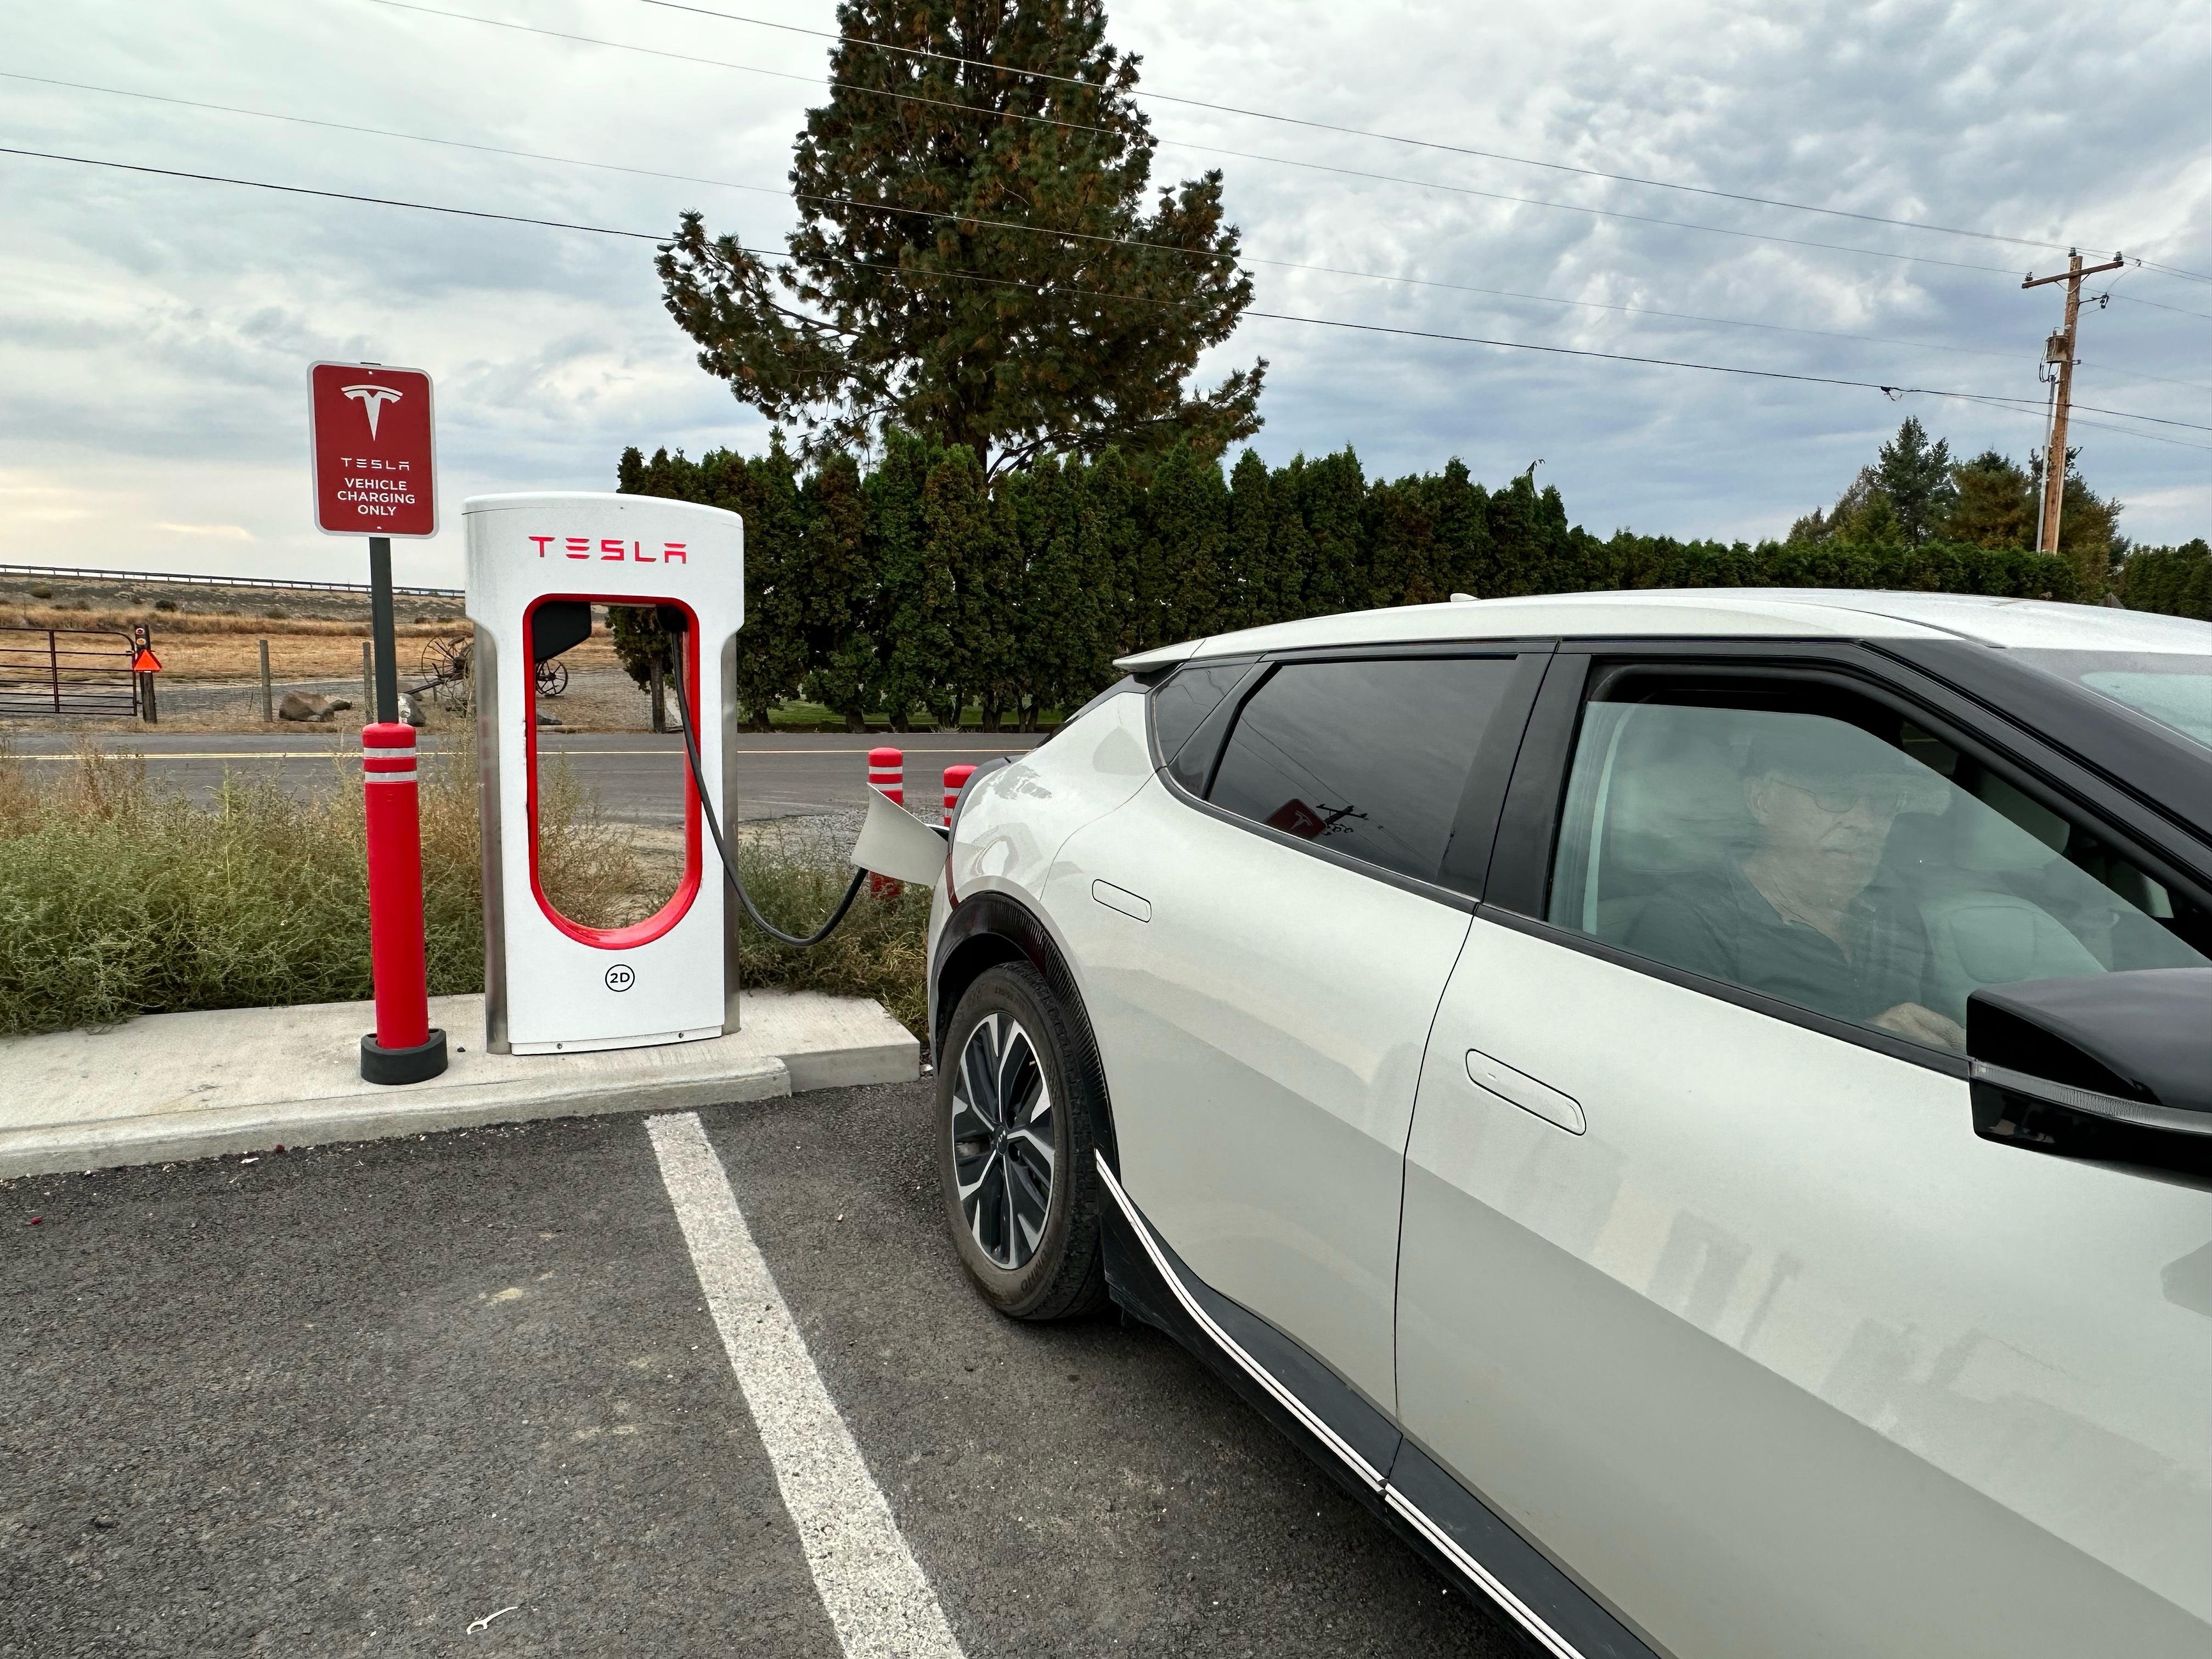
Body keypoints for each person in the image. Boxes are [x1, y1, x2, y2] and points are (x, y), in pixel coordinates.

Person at [1623, 717, 1964, 1049]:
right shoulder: (1691, 924)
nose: (1865, 822)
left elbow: (1945, 1031)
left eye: (1883, 800)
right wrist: (1864, 1044)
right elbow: (1682, 1069)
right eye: (1835, 794)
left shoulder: (1891, 905)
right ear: (1762, 800)